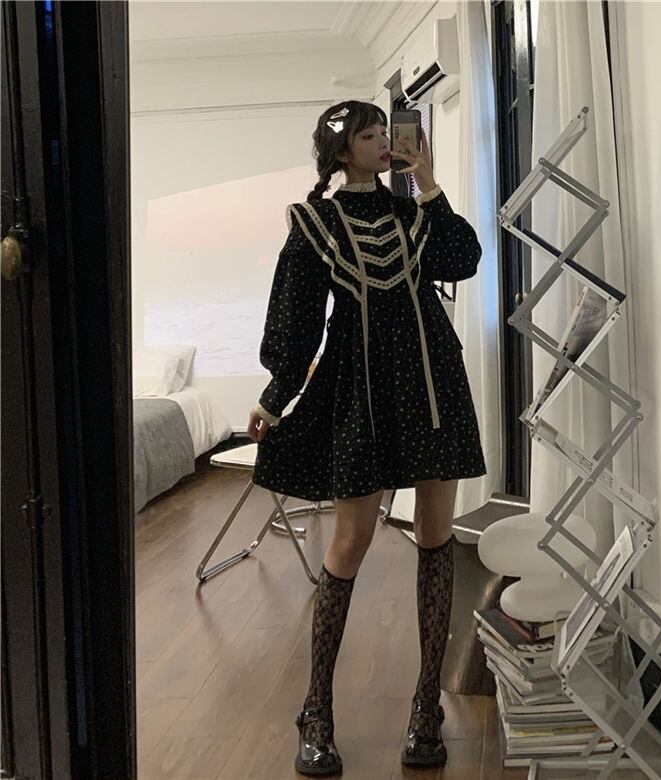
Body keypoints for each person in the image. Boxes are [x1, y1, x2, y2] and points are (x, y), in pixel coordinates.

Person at [246, 100, 487, 776]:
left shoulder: (414, 213)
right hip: (360, 391)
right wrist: (275, 394)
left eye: (387, 131)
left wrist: (429, 183)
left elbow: (464, 259)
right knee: (349, 542)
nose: (383, 141)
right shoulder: (314, 222)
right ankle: (315, 710)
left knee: (436, 537)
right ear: (340, 149)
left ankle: (426, 708)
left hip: (434, 386)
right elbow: (296, 318)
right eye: (369, 134)